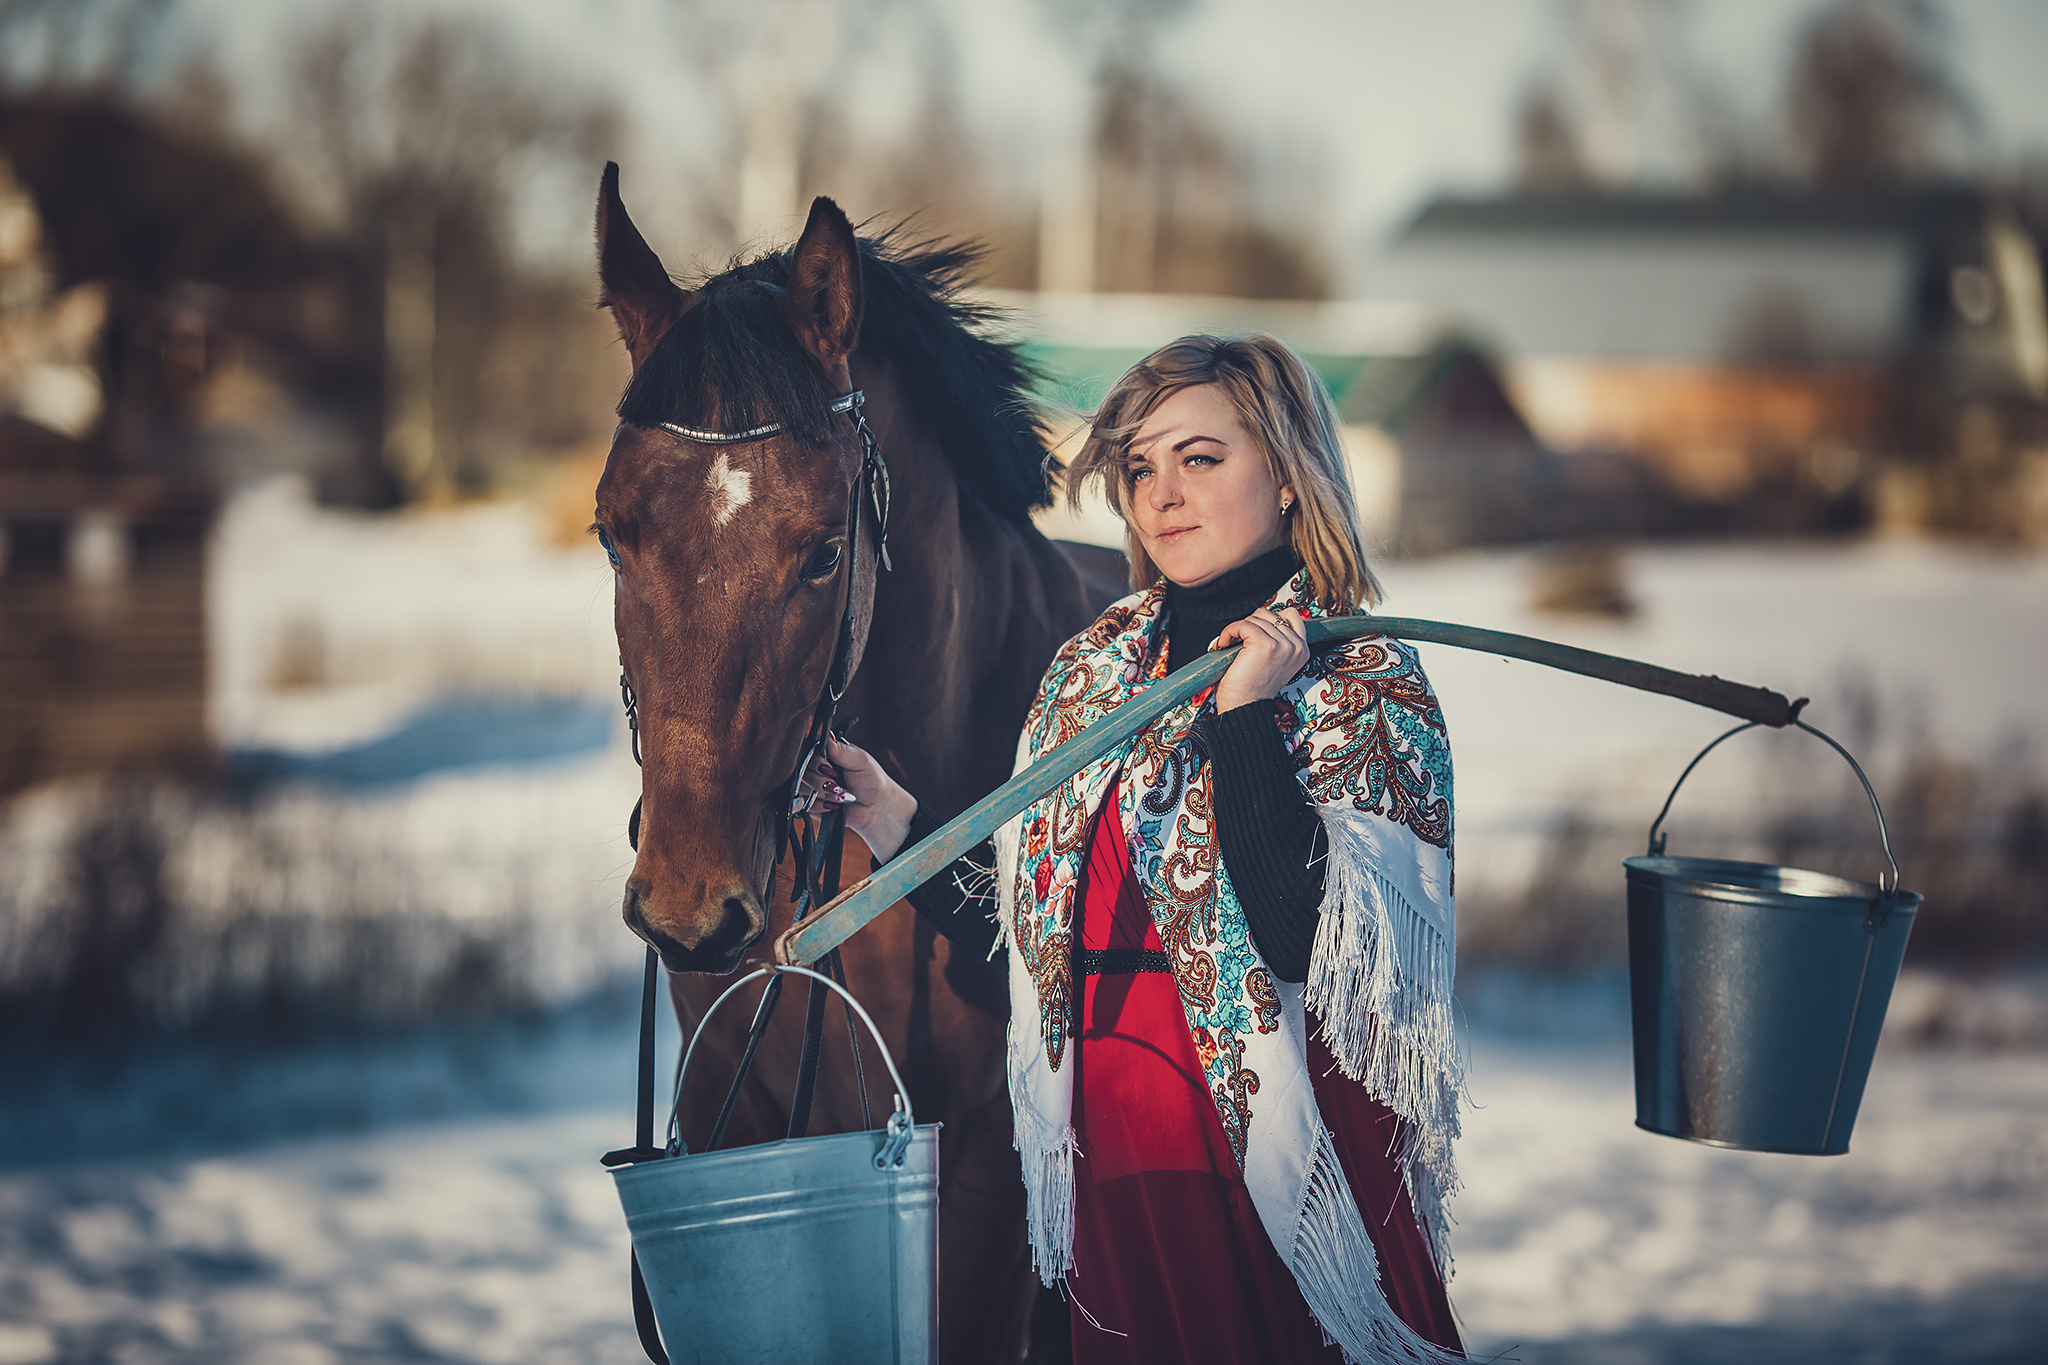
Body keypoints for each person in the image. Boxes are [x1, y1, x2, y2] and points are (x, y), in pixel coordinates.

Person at [810, 333, 1464, 1363]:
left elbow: (1306, 947)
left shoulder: (1358, 683)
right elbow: (1036, 949)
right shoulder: (1093, 673)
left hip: (1272, 1171)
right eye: (1139, 466)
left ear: (1290, 476)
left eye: (1198, 459)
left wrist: (1245, 721)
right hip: (1117, 1159)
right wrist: (893, 819)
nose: (1161, 494)